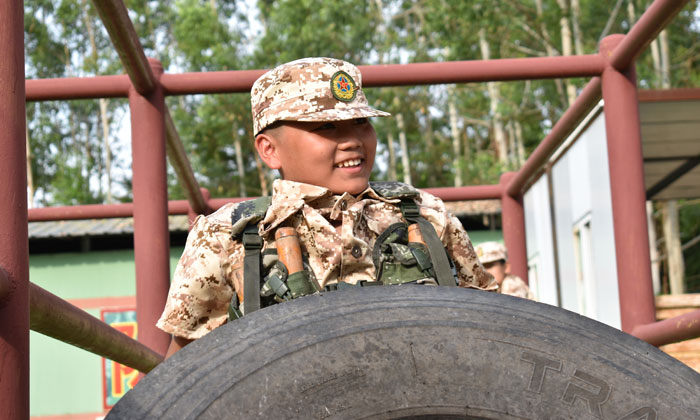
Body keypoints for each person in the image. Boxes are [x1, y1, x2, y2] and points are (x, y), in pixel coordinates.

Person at [157, 57, 497, 358]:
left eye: (361, 122)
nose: (352, 140)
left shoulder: (425, 216)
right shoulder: (227, 236)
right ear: (269, 149)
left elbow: (495, 327)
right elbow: (183, 370)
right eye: (327, 127)